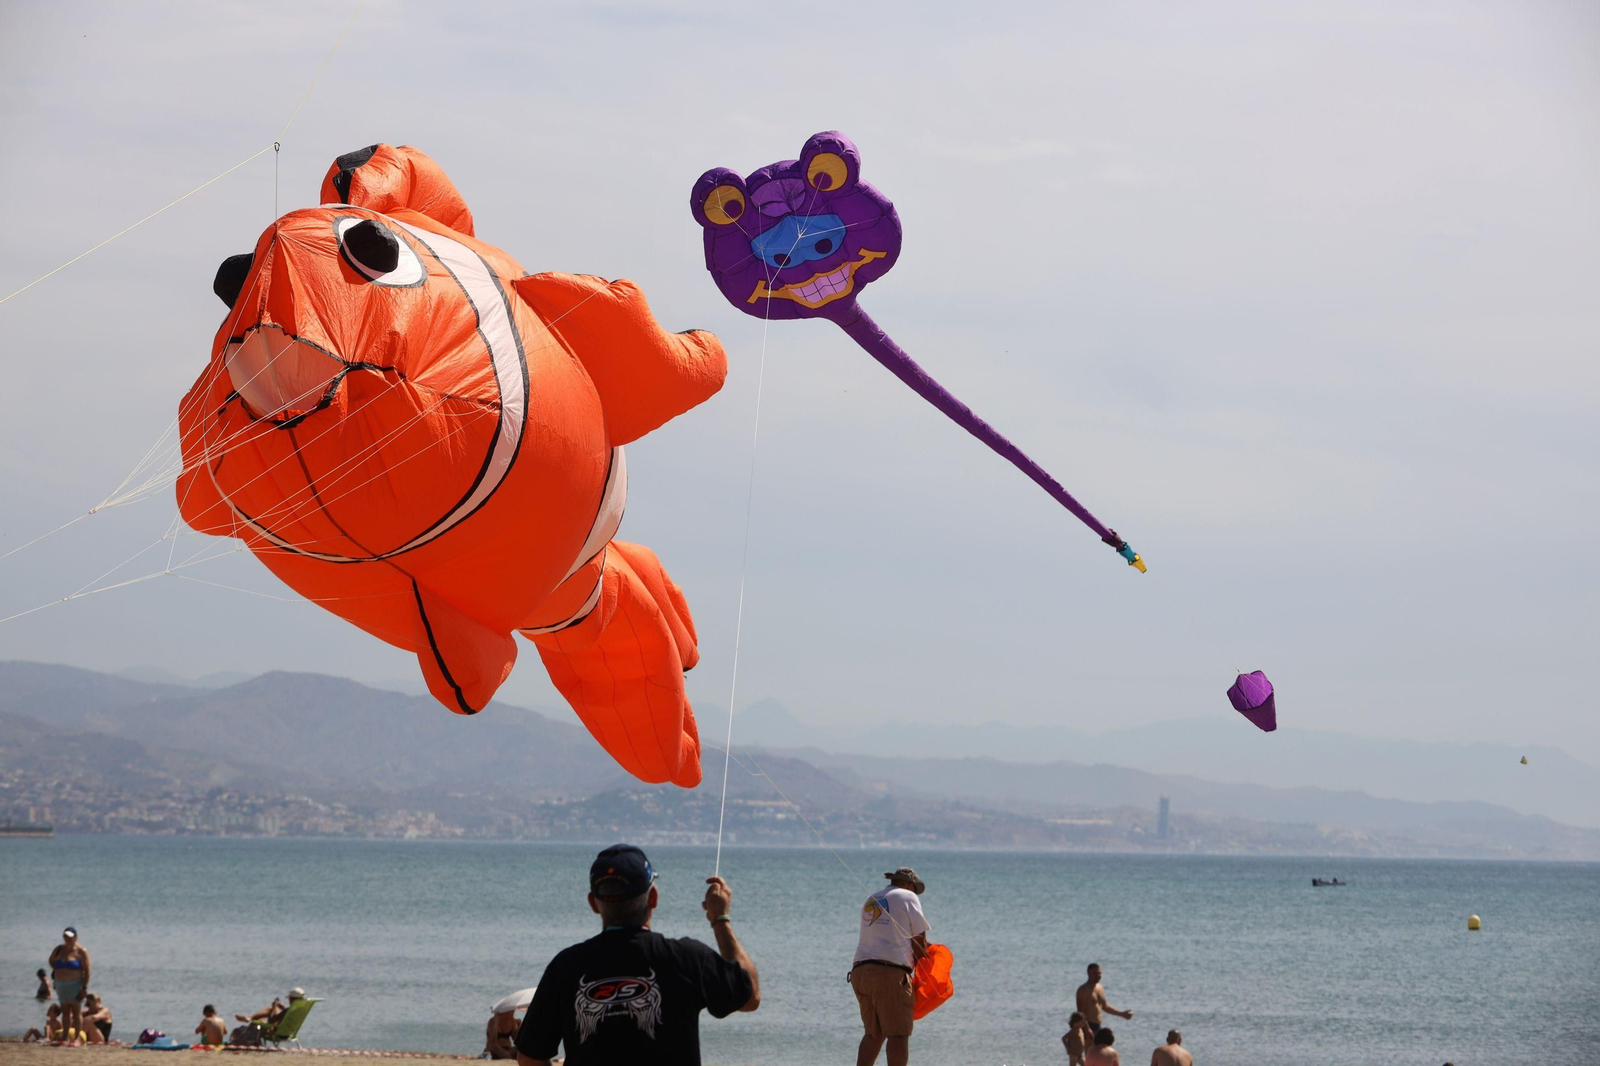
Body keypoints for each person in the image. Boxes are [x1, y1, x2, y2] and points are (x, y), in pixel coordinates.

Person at [514, 844, 760, 1065]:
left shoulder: (565, 966)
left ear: (593, 903)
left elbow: (529, 1057)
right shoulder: (686, 958)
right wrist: (720, 918)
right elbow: (750, 997)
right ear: (653, 897)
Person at [850, 866, 931, 1066]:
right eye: (914, 889)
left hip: (860, 972)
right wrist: (928, 974)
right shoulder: (908, 896)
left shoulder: (872, 898)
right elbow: (919, 943)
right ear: (909, 884)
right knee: (898, 1035)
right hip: (889, 973)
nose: (914, 893)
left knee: (874, 1034)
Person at [49, 927, 91, 1038]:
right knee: (65, 1011)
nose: (68, 939)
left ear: (76, 937)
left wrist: (84, 987)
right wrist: (58, 970)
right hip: (60, 984)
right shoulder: (58, 949)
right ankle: (65, 1036)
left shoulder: (81, 951)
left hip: (75, 984)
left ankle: (76, 1037)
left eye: (70, 937)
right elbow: (51, 961)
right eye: (66, 936)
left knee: (76, 1011)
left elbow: (87, 970)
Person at [1075, 963, 1132, 1036]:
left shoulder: (1100, 988)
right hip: (1088, 1025)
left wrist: (1122, 1014)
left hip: (1098, 1025)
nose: (1098, 976)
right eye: (1095, 973)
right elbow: (1080, 1013)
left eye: (1099, 973)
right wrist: (1087, 1029)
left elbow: (1105, 1007)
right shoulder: (1083, 990)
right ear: (1089, 974)